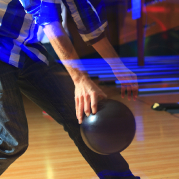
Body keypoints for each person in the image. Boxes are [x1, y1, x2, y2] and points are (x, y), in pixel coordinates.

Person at [0, 0, 139, 178]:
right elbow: (48, 21)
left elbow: (87, 20)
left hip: (26, 49)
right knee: (11, 141)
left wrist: (118, 66)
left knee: (81, 111)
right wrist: (80, 79)